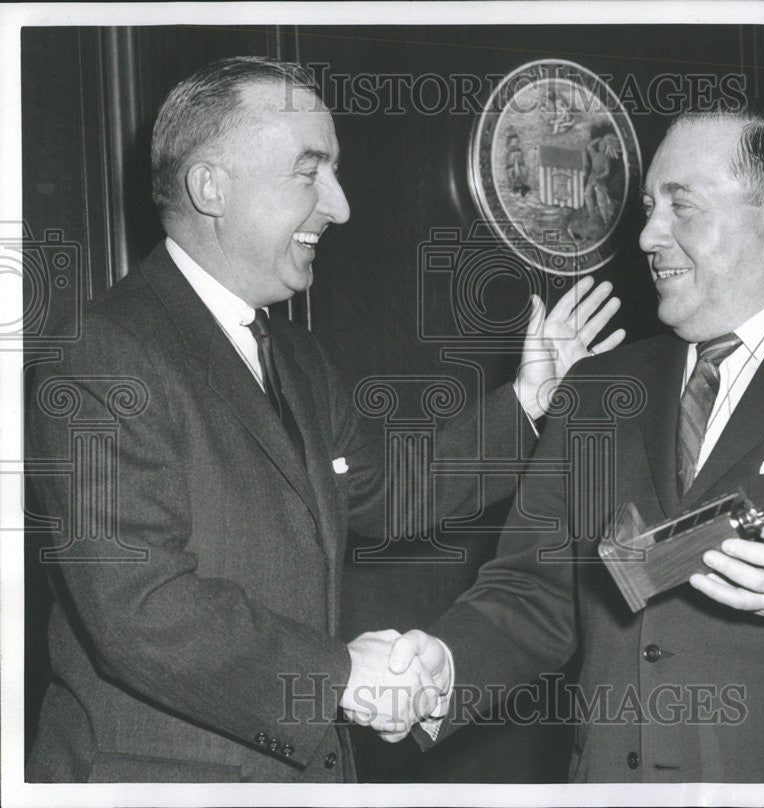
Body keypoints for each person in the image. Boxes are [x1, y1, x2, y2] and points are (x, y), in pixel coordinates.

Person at [24, 56, 625, 783]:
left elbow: (384, 491)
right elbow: (140, 607)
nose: (339, 206)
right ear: (210, 187)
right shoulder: (105, 353)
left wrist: (528, 401)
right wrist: (337, 675)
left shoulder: (292, 356)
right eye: (309, 172)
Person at [376, 103, 764, 782]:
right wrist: (441, 668)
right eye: (649, 206)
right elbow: (530, 593)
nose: (648, 235)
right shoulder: (598, 387)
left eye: (681, 206)